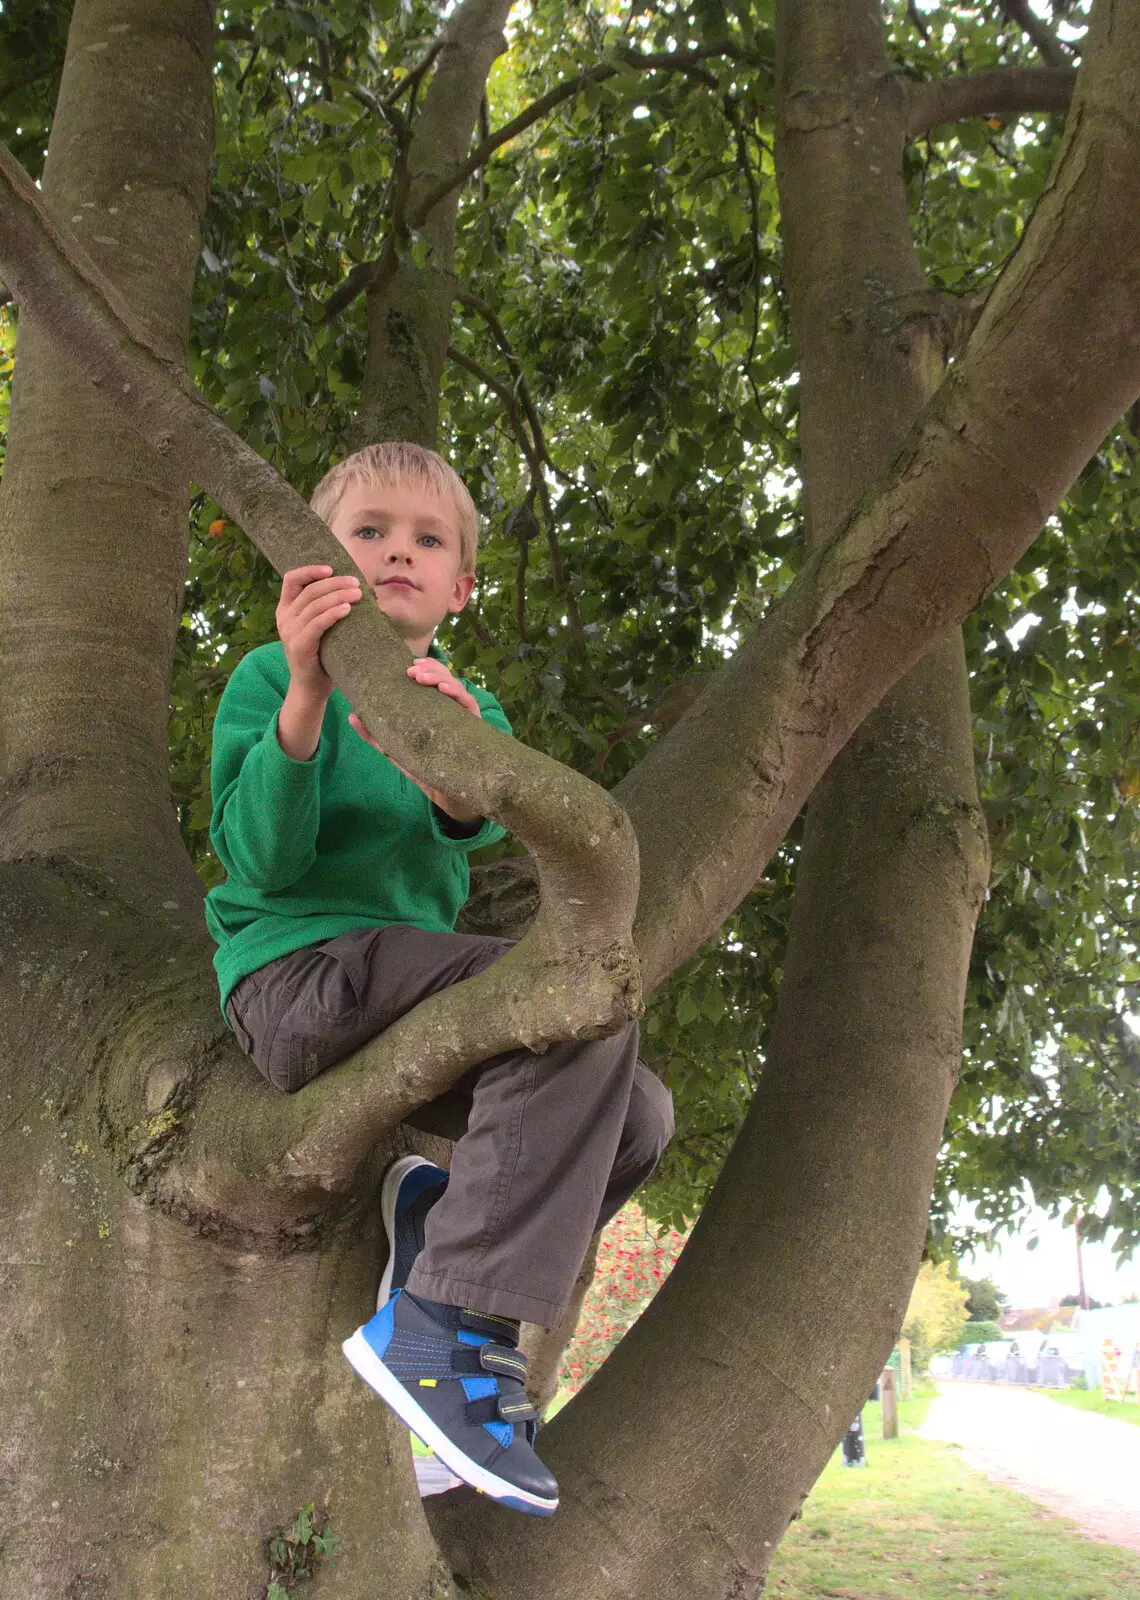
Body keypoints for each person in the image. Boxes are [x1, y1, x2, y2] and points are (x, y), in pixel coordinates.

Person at [205, 442, 674, 1517]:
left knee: (639, 1113)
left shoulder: (471, 707)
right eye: (368, 532)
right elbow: (260, 860)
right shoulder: (270, 676)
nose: (396, 553)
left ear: (461, 586)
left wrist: (445, 738)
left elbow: (464, 824)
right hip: (297, 977)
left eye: (426, 540)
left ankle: (442, 1248)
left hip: (404, 1000)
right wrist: (311, 698)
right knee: (565, 1000)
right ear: (319, 556)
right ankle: (445, 1331)